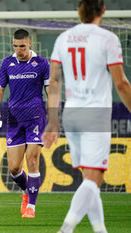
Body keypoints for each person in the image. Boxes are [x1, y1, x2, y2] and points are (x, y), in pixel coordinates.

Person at [42, 0, 131, 232]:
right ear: (102, 10)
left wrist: (53, 120)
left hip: (71, 113)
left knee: (89, 180)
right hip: (96, 115)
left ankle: (100, 230)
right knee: (94, 179)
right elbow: (121, 83)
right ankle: (66, 228)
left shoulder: (63, 38)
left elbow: (54, 82)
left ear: (80, 11)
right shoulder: (108, 39)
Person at [0, 29, 50, 218]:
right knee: (15, 169)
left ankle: (31, 207)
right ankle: (27, 192)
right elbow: (0, 88)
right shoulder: (7, 63)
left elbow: (50, 90)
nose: (18, 50)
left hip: (35, 117)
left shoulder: (41, 63)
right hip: (15, 119)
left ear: (30, 43)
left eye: (22, 46)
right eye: (15, 46)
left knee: (32, 161)